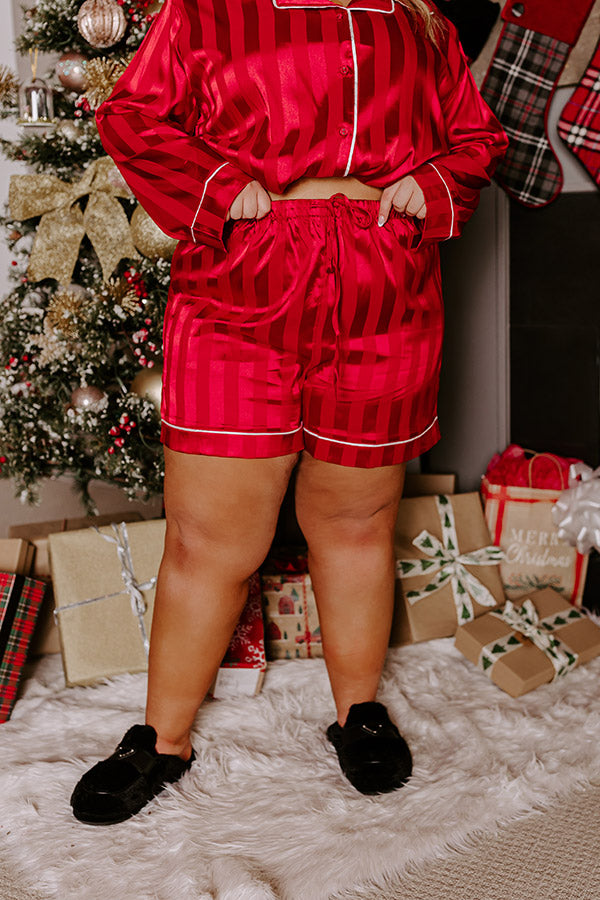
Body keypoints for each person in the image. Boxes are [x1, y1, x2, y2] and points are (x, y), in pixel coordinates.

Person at [71, 0, 507, 824]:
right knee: (210, 539)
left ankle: (359, 713)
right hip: (242, 282)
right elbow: (133, 115)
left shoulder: (418, 20)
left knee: (357, 522)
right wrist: (217, 186)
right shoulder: (203, 10)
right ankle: (161, 740)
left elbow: (476, 137)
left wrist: (432, 185)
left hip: (383, 284)